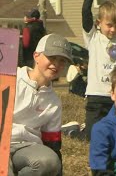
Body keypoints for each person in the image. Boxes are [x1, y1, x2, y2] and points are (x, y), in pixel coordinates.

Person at [62, 0, 116, 140]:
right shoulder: (92, 36)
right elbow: (85, 11)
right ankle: (72, 130)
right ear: (99, 23)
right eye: (109, 25)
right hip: (96, 96)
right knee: (92, 137)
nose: (113, 30)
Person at [8, 34, 72, 176]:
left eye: (62, 61)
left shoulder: (54, 102)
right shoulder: (11, 78)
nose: (56, 64)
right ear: (36, 56)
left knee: (49, 162)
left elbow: (52, 145)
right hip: (3, 141)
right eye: (52, 57)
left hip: (28, 147)